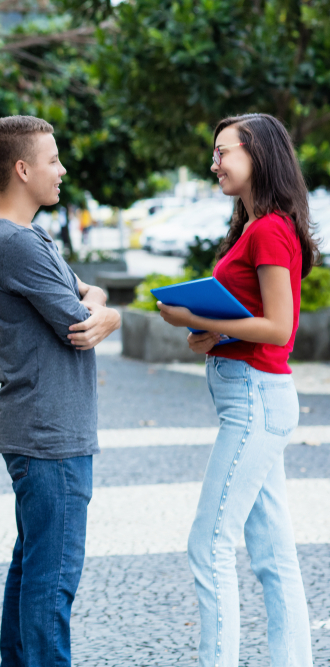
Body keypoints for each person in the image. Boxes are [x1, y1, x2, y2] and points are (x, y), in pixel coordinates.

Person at [158, 113, 318, 667]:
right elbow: (255, 320)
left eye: (223, 151)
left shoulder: (270, 228)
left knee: (209, 544)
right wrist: (208, 334)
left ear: (259, 156)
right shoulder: (257, 227)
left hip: (254, 400)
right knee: (274, 556)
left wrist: (207, 323)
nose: (214, 162)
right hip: (252, 395)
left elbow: (279, 328)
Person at [0, 116, 120, 667]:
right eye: (53, 160)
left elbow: (90, 296)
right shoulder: (15, 243)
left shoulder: (30, 237)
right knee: (52, 582)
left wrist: (102, 310)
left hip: (42, 429)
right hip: (51, 434)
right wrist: (106, 316)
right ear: (22, 168)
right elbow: (78, 322)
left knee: (34, 567)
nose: (61, 170)